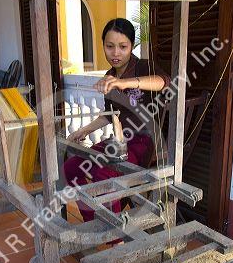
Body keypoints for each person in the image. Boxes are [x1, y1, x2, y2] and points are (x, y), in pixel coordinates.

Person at [64, 18, 170, 223]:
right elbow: (109, 114)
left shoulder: (143, 67)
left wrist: (124, 83)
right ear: (103, 45)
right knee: (72, 167)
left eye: (123, 46)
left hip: (144, 142)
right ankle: (94, 222)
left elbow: (163, 82)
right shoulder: (108, 76)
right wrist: (84, 130)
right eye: (110, 46)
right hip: (119, 141)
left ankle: (114, 236)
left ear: (131, 46)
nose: (116, 53)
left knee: (103, 172)